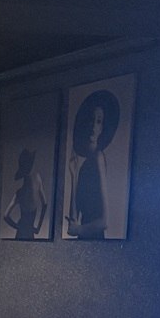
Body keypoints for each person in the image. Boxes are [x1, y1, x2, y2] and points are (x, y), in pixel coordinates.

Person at [65, 90, 118, 240]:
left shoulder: (98, 157)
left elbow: (104, 221)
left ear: (102, 128)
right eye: (91, 120)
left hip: (94, 239)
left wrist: (79, 229)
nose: (93, 126)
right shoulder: (84, 167)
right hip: (84, 240)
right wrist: (73, 175)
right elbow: (74, 219)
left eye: (98, 121)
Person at [2, 147, 48, 240]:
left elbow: (6, 216)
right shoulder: (37, 179)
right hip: (26, 231)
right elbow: (45, 204)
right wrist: (38, 227)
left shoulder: (20, 193)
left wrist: (18, 227)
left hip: (24, 231)